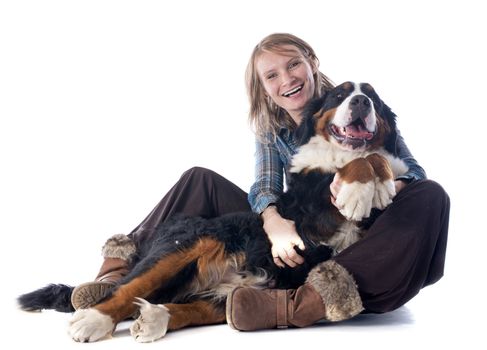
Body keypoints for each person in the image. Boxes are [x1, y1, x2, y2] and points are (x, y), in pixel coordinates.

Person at [71, 33, 450, 331]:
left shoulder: (359, 106)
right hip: (296, 227)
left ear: (311, 63)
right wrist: (273, 221)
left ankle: (298, 304)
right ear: (263, 86)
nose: (287, 79)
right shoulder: (272, 128)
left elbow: (413, 172)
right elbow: (264, 186)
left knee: (430, 195)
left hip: (356, 244)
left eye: (293, 65)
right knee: (198, 179)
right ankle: (118, 274)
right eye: (272, 75)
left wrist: (377, 178)